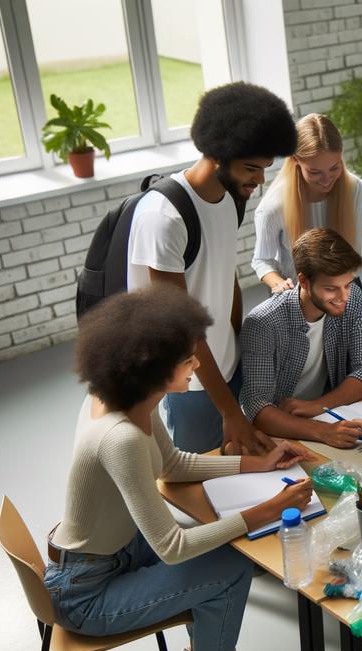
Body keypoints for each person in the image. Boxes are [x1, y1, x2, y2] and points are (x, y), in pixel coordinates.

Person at [45, 285, 317, 651]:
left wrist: (257, 463)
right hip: (87, 595)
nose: (196, 368)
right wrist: (269, 509)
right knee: (232, 566)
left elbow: (172, 466)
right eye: (188, 360)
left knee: (216, 550)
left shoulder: (128, 395)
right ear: (153, 368)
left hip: (113, 555)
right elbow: (172, 549)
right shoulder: (122, 438)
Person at [127, 82, 297, 454]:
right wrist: (229, 409)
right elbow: (180, 327)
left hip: (224, 363)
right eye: (251, 168)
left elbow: (226, 277)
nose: (259, 180)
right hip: (187, 379)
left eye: (265, 168)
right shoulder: (164, 217)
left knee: (241, 465)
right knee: (199, 474)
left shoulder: (229, 200)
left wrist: (239, 349)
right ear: (218, 155)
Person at [239, 229, 362, 448]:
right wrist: (323, 432)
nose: (343, 297)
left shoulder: (352, 298)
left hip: (324, 416)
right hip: (279, 434)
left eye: (347, 284)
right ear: (304, 281)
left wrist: (317, 406)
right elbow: (257, 407)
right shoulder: (262, 323)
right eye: (331, 289)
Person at [252, 113, 362, 294]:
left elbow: (353, 252)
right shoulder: (273, 207)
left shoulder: (357, 190)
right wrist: (279, 284)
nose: (326, 180)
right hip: (294, 291)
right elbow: (262, 260)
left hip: (343, 286)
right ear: (295, 161)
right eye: (315, 172)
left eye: (334, 168)